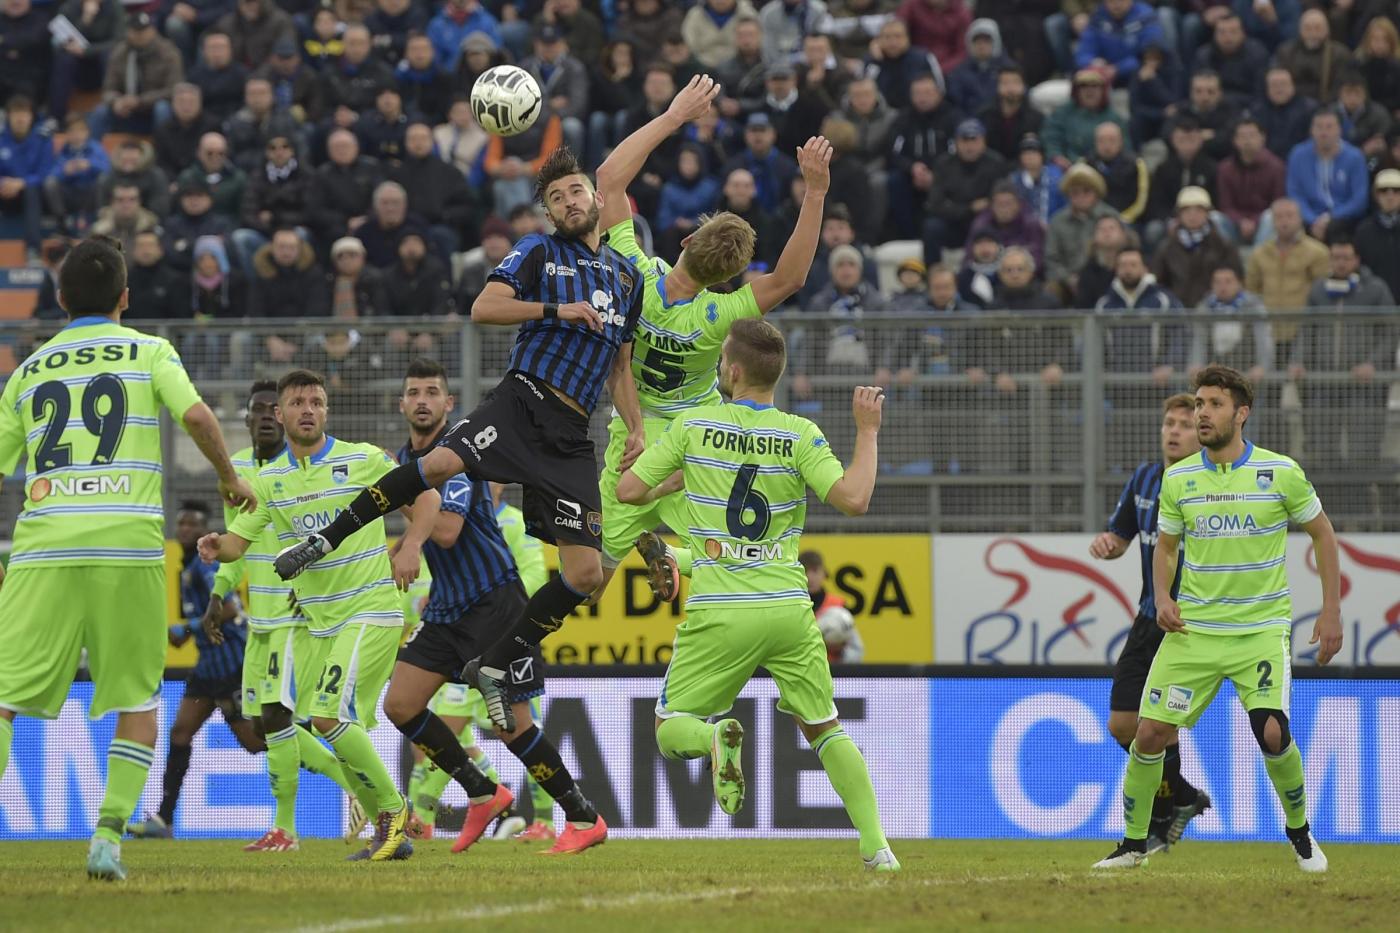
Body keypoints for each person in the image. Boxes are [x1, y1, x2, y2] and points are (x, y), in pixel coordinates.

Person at [272, 147, 645, 754]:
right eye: (556, 198)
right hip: (522, 402)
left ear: (598, 199)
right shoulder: (538, 251)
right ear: (549, 213)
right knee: (438, 465)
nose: (568, 202)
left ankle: (498, 661)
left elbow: (620, 367)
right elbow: (483, 308)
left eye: (576, 191)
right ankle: (325, 539)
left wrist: (637, 428)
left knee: (584, 576)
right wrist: (557, 309)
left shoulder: (628, 278)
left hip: (573, 436)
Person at [0, 236, 255, 881]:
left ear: (60, 300)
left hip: (42, 549)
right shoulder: (149, 350)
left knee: (3, 699)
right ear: (125, 297)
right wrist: (228, 478)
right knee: (139, 701)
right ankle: (108, 839)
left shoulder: (28, 370)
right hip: (128, 547)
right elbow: (198, 417)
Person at [616, 318, 899, 872]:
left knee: (669, 729)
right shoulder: (800, 433)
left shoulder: (694, 427)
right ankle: (878, 848)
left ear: (732, 369)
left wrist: (677, 478)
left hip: (722, 611)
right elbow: (854, 499)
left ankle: (713, 737)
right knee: (824, 728)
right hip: (790, 610)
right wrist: (867, 431)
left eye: (722, 358)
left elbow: (629, 491)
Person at [587, 78, 833, 607]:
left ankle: (655, 544)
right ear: (730, 277)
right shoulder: (721, 314)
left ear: (684, 241)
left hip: (634, 433)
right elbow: (790, 278)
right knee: (731, 553)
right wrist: (814, 193)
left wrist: (675, 116)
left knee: (590, 586)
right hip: (699, 437)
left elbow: (607, 179)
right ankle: (676, 556)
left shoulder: (633, 272)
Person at [1092, 364, 1341, 872]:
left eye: (1214, 405)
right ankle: (1133, 845)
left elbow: (1322, 533)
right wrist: (1164, 597)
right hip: (1195, 633)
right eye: (1199, 404)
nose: (1203, 414)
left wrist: (1331, 611)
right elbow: (1165, 546)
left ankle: (1300, 834)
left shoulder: (1280, 472)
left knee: (1272, 732)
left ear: (1241, 413)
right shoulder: (1179, 478)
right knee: (1147, 734)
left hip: (1259, 632)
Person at [197, 369, 440, 863]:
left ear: (326, 410)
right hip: (321, 625)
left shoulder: (364, 460)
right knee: (329, 724)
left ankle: (393, 811)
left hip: (370, 611)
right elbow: (238, 542)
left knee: (328, 716)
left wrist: (412, 545)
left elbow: (429, 497)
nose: (308, 410)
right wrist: (216, 547)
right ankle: (390, 831)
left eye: (316, 402)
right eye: (298, 403)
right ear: (280, 413)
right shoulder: (269, 482)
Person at [379, 359, 608, 855]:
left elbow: (447, 529)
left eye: (432, 392)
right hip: (447, 609)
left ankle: (583, 817)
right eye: (414, 392)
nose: (422, 400)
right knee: (400, 704)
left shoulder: (457, 453)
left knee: (512, 727)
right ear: (402, 404)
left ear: (448, 403)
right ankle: (483, 792)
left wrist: (400, 507)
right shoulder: (407, 459)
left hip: (494, 605)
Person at [204, 380, 369, 852]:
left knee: (279, 716)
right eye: (255, 410)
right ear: (250, 418)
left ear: (279, 417)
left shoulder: (299, 472)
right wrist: (219, 592)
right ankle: (358, 788)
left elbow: (318, 534)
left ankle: (288, 828)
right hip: (259, 615)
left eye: (268, 409)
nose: (262, 417)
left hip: (293, 611)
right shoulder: (237, 473)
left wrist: (305, 586)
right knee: (261, 725)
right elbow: (236, 541)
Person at [1090, 394, 1209, 852]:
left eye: (1184, 424)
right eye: (1169, 423)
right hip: (1147, 618)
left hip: (1187, 626)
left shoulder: (1209, 486)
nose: (1174, 431)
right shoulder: (1144, 478)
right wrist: (1107, 544)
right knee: (1122, 725)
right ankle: (1182, 796)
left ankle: (1158, 822)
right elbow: (1122, 536)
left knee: (1158, 728)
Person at [127, 501, 263, 840]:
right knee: (180, 733)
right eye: (181, 523)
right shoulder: (186, 566)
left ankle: (327, 756)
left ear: (205, 530)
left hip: (232, 666)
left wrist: (187, 628)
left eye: (193, 524)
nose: (185, 529)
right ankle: (163, 820)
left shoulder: (206, 566)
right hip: (207, 669)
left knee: (254, 743)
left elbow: (230, 608)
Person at [1295, 235, 1397, 482]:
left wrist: (1372, 363)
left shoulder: (1375, 288)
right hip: (1325, 382)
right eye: (1336, 258)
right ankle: (1328, 502)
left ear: (1357, 259)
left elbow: (1391, 332)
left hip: (1363, 385)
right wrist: (1298, 361)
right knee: (1323, 446)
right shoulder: (1319, 289)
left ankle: (1362, 501)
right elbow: (1307, 330)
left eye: (1346, 258)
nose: (1340, 263)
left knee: (1362, 448)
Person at [921, 118, 1008, 264]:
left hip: (986, 223)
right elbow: (935, 204)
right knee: (932, 227)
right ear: (956, 142)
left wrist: (985, 208)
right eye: (964, 141)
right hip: (953, 223)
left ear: (983, 141)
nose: (969, 146)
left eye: (974, 140)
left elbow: (1000, 198)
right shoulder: (943, 164)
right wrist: (969, 208)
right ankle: (933, 271)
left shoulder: (996, 163)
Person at [1285, 107, 1369, 242]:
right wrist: (1313, 220)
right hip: (1308, 218)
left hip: (1344, 218)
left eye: (1329, 127)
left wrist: (1331, 217)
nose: (1323, 133)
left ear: (1339, 130)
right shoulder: (1298, 154)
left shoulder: (1355, 157)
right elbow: (1295, 193)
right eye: (1319, 127)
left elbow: (1359, 200)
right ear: (1311, 130)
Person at [93, 13, 184, 136]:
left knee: (162, 108)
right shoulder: (119, 53)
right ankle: (91, 147)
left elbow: (173, 89)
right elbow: (108, 89)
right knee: (101, 111)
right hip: (126, 111)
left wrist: (140, 101)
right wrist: (116, 101)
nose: (140, 35)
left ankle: (163, 145)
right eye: (135, 31)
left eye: (144, 30)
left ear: (153, 30)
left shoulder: (169, 53)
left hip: (152, 110)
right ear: (128, 31)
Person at [1151, 186, 1241, 309]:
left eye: (1199, 210)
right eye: (1186, 211)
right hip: (1177, 313)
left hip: (1214, 312)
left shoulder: (1223, 245)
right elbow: (1159, 284)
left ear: (1207, 213)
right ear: (1179, 215)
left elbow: (1236, 280)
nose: (1192, 215)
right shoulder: (1167, 248)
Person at [1216, 118, 1285, 245]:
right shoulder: (1225, 169)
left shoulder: (1276, 167)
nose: (1247, 141)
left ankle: (1259, 255)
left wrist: (1254, 221)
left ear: (1262, 138)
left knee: (1271, 216)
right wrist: (1241, 221)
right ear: (1235, 141)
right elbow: (1226, 205)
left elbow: (1277, 202)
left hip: (1263, 224)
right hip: (1235, 224)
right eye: (1242, 136)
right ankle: (1229, 255)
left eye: (1252, 135)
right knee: (1215, 218)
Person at [0, 95, 51, 255]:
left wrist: (22, 183)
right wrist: (3, 183)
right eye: (16, 113)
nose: (20, 118)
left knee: (32, 190)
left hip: (34, 194)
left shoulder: (43, 138)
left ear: (31, 117)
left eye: (24, 113)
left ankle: (33, 250)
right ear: (8, 116)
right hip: (5, 192)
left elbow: (45, 172)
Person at [1354, 169, 1400, 302]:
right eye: (1384, 190)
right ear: (1376, 195)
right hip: (1374, 303)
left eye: (1396, 190)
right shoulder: (1363, 231)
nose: (1390, 196)